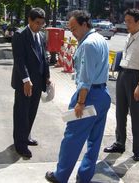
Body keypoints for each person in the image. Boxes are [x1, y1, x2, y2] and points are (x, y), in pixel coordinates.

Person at [45, 10, 111, 183]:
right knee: (94, 140)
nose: (72, 33)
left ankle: (61, 176)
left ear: (84, 24)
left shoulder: (88, 44)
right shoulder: (100, 39)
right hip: (103, 94)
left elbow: (85, 79)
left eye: (74, 28)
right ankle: (85, 176)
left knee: (72, 139)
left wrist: (80, 102)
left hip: (88, 96)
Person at [103, 8, 139, 162]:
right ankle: (120, 143)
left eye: (130, 22)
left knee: (136, 116)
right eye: (126, 21)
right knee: (120, 112)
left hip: (135, 77)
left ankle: (138, 149)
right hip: (123, 74)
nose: (127, 24)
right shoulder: (129, 36)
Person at [11, 7, 50, 158]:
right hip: (24, 82)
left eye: (42, 23)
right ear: (29, 20)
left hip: (38, 81)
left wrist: (46, 75)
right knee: (21, 112)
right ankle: (19, 144)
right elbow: (19, 61)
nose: (39, 26)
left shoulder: (41, 36)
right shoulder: (20, 35)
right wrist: (26, 80)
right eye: (37, 23)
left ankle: (26, 136)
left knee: (32, 111)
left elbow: (44, 58)